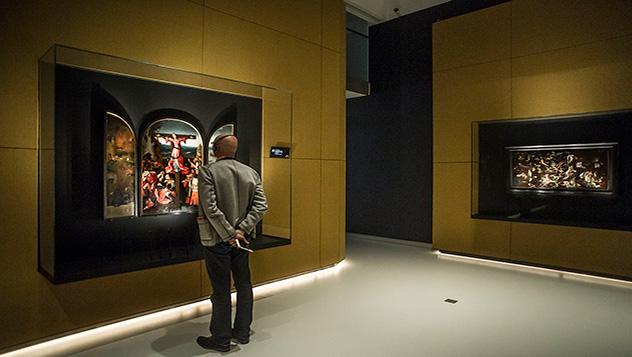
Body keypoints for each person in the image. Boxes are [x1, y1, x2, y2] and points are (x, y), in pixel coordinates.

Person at [196, 134, 268, 352]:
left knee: (221, 290)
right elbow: (261, 206)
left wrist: (229, 233)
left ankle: (221, 339)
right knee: (244, 285)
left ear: (216, 149)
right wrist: (241, 230)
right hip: (242, 240)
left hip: (218, 239)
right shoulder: (251, 172)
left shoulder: (208, 171)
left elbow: (210, 208)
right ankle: (242, 332)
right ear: (234, 150)